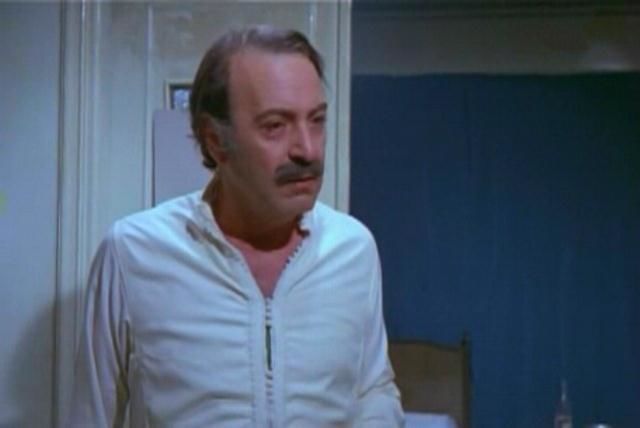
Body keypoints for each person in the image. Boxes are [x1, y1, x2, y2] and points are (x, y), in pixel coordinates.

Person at [68, 25, 403, 427]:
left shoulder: (352, 248)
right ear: (215, 141)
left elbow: (372, 388)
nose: (308, 149)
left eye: (316, 120)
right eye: (275, 125)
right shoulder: (132, 253)